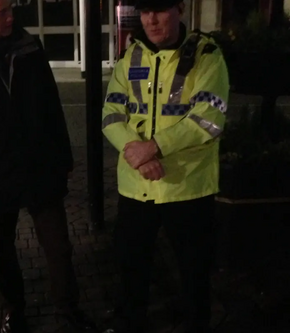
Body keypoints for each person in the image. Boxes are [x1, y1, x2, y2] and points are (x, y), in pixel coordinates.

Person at [0, 0, 96, 332]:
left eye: (11, 9)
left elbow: (51, 103)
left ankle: (68, 309)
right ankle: (15, 309)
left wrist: (63, 156)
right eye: (2, 12)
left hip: (39, 166)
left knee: (58, 246)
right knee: (2, 249)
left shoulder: (29, 47)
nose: (12, 17)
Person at [101, 0, 229, 332]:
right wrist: (139, 156)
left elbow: (209, 118)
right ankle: (130, 323)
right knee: (130, 266)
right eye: (145, 12)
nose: (152, 20)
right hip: (137, 186)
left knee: (194, 272)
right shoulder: (130, 56)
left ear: (180, 10)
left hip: (186, 186)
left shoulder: (207, 56)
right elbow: (112, 114)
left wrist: (153, 148)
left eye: (160, 10)